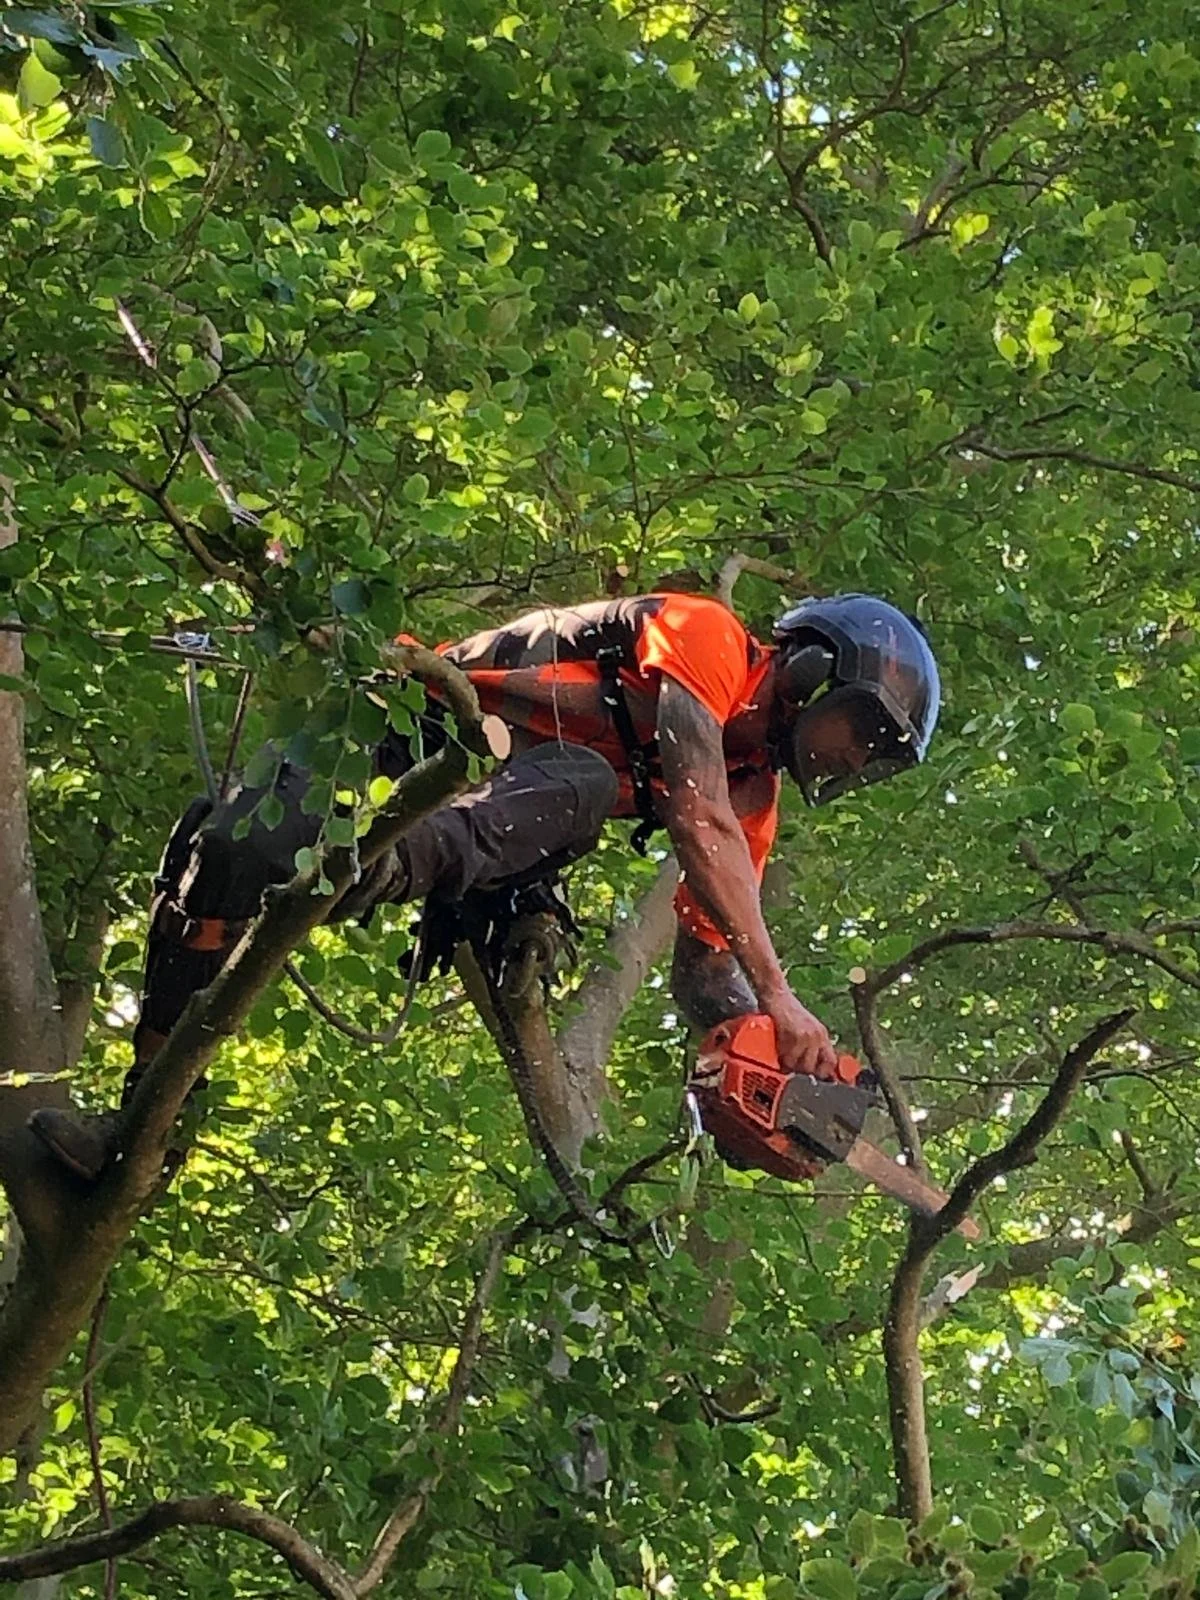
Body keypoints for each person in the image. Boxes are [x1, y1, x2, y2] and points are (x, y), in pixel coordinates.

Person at [31, 590, 940, 1181]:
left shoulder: (753, 799)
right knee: (226, 848)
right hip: (414, 725)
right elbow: (691, 807)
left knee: (580, 783)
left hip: (497, 829)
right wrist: (777, 993)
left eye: (870, 756)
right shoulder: (707, 640)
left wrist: (765, 1069)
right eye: (859, 729)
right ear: (815, 667)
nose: (852, 757)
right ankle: (144, 1111)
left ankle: (372, 866)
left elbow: (707, 971)